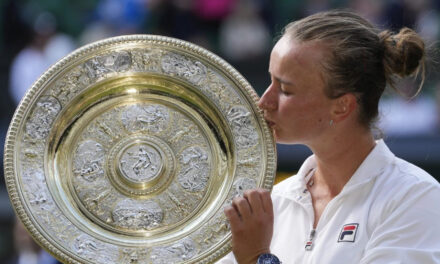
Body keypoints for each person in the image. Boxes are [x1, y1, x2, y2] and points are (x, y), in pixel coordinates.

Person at [218, 10, 440, 264]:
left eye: (286, 90)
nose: (264, 101)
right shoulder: (274, 201)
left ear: (342, 106)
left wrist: (257, 257)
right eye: (270, 81)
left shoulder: (414, 197)